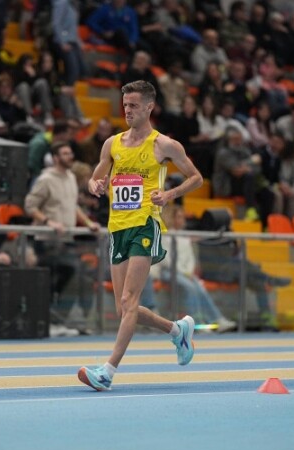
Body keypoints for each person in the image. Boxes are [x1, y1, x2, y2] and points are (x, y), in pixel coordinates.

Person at [78, 80, 203, 391]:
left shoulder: (165, 145)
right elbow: (95, 177)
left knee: (129, 300)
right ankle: (177, 330)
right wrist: (95, 185)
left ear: (149, 107)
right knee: (124, 310)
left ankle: (107, 371)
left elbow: (196, 178)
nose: (127, 110)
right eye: (125, 105)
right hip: (117, 227)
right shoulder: (112, 144)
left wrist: (169, 194)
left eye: (133, 105)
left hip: (146, 224)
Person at [24, 141, 100, 332]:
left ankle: (57, 319)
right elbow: (30, 205)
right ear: (56, 158)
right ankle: (48, 320)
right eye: (65, 153)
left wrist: (88, 223)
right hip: (46, 240)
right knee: (57, 277)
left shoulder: (71, 177)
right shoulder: (46, 179)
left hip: (66, 239)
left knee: (74, 276)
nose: (70, 156)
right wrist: (48, 221)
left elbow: (72, 206)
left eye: (70, 153)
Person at [152, 204, 236, 332]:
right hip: (168, 271)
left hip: (185, 273)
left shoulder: (185, 236)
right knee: (190, 286)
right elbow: (167, 260)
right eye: (179, 217)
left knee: (199, 287)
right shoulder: (164, 235)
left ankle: (217, 319)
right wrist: (184, 273)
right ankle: (196, 323)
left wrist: (189, 272)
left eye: (182, 217)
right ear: (171, 218)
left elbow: (190, 258)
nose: (182, 220)